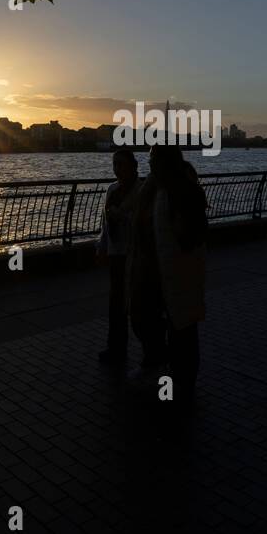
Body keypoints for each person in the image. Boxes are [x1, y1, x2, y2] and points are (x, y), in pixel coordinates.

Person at [126, 145, 207, 400]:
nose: (149, 163)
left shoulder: (182, 189)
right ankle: (163, 364)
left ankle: (182, 379)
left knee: (182, 325)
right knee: (145, 316)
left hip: (177, 269)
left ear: (165, 162)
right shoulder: (153, 188)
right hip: (154, 266)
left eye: (153, 159)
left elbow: (191, 235)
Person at [96, 148, 142, 365]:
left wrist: (121, 217)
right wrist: (102, 246)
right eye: (115, 164)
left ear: (133, 166)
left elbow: (142, 224)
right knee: (115, 303)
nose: (117, 169)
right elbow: (105, 224)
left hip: (134, 254)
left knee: (136, 304)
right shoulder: (111, 190)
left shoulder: (141, 191)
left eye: (121, 164)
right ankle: (115, 347)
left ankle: (148, 350)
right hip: (116, 254)